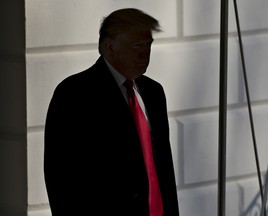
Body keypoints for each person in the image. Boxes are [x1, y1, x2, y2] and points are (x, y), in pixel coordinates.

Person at [44, 8, 179, 216]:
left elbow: (164, 172)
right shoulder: (74, 94)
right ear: (109, 47)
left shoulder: (154, 92)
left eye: (148, 45)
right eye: (136, 45)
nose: (145, 53)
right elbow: (61, 179)